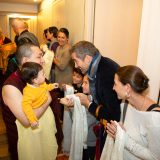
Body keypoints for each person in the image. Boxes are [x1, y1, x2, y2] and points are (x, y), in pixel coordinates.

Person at [1, 43, 58, 160]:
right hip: (26, 144)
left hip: (43, 136)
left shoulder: (36, 76)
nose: (43, 60)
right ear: (25, 60)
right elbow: (27, 120)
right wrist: (47, 101)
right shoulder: (11, 86)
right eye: (39, 56)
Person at [70, 41, 121, 155]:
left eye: (76, 61)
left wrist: (88, 103)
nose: (75, 66)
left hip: (113, 130)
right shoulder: (100, 67)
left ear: (88, 58)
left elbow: (112, 114)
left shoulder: (106, 73)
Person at [104, 65, 160, 160]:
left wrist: (123, 138)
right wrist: (118, 132)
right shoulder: (125, 104)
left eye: (115, 84)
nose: (113, 88)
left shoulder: (155, 118)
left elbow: (155, 157)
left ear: (127, 88)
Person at [60, 74, 97, 160]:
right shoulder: (86, 97)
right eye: (83, 82)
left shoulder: (95, 103)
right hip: (82, 140)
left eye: (86, 83)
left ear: (93, 85)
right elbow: (74, 120)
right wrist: (72, 107)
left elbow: (83, 123)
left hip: (90, 142)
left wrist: (72, 107)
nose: (82, 85)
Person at [21, 62, 59, 128]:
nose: (44, 75)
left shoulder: (41, 83)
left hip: (46, 111)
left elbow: (46, 87)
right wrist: (32, 120)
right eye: (42, 74)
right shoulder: (28, 92)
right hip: (37, 115)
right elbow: (27, 107)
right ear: (35, 80)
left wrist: (52, 86)